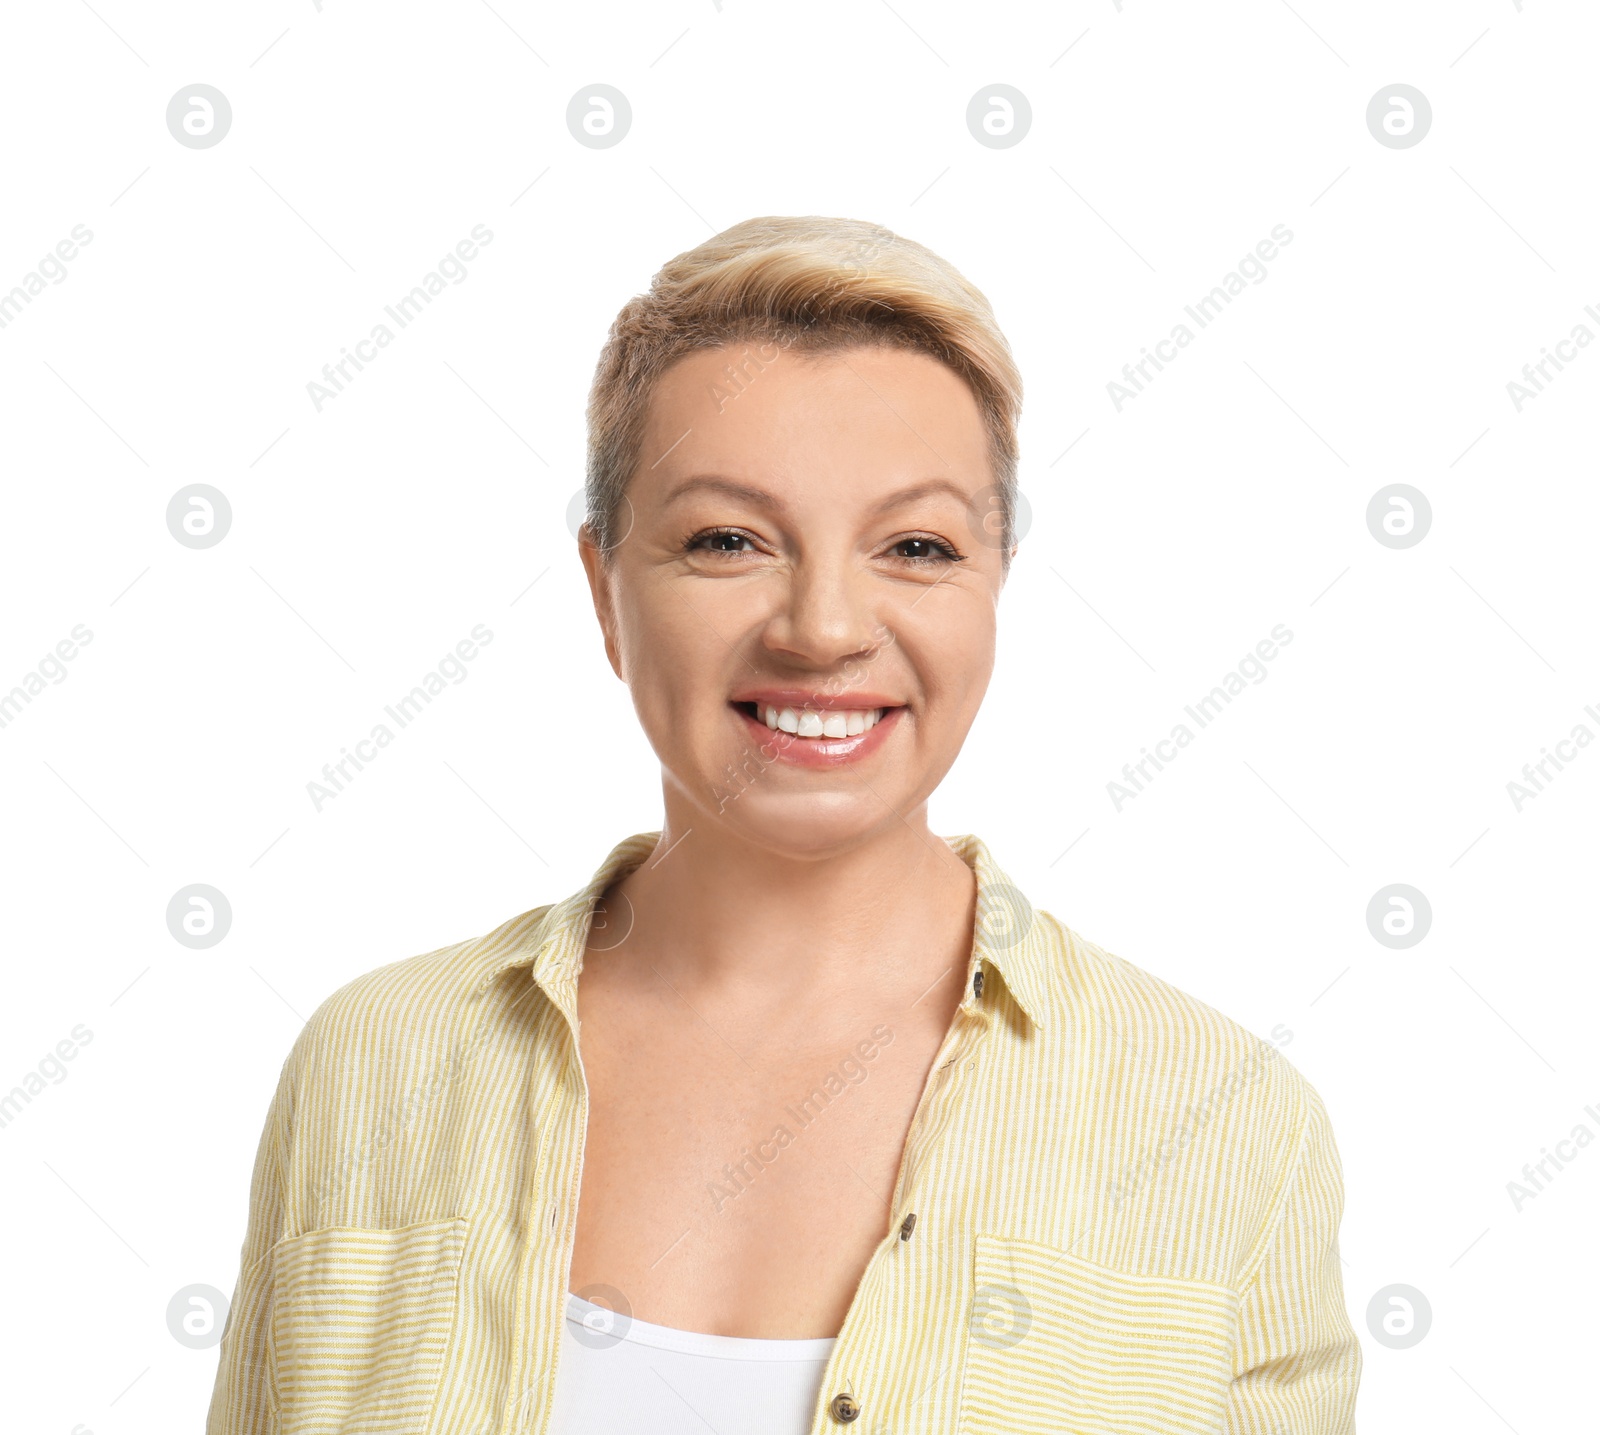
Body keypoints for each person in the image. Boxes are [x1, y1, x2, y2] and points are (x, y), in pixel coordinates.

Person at [206, 215, 1361, 1434]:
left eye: (915, 546)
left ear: (993, 588)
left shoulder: (1225, 1119)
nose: (821, 627)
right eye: (727, 541)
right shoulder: (374, 1064)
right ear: (605, 592)